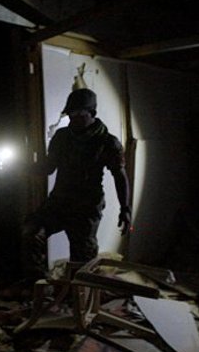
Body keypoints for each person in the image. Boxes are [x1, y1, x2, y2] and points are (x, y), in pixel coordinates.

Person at [24, 88, 131, 273]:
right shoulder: (62, 137)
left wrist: (125, 209)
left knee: (82, 262)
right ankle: (40, 284)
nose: (74, 118)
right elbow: (48, 168)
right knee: (31, 232)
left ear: (92, 113)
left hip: (86, 208)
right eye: (71, 114)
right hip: (59, 202)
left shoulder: (107, 142)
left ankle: (78, 289)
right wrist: (20, 167)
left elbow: (119, 176)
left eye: (79, 113)